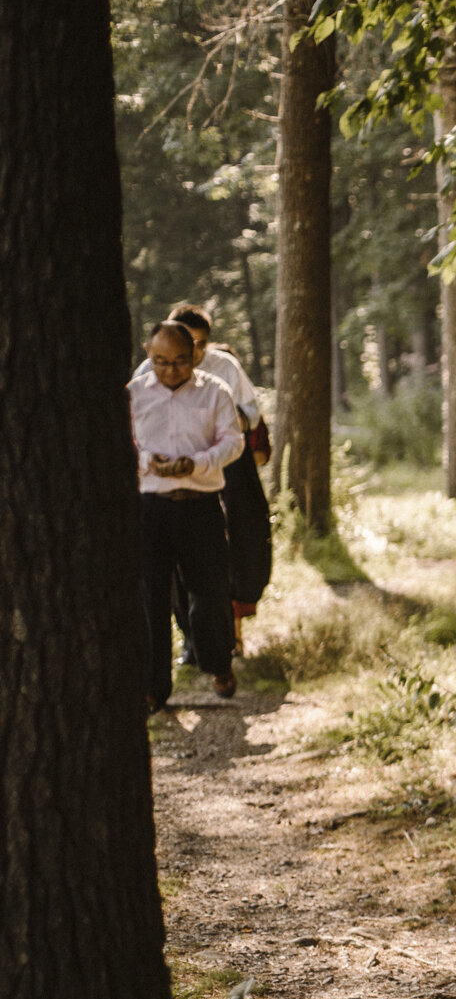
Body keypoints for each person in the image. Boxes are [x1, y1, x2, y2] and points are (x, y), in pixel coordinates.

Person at [133, 304, 273, 654]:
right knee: (165, 579)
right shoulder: (143, 379)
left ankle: (226, 642)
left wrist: (205, 452)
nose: (192, 352)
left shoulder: (223, 370)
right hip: (158, 489)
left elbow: (249, 418)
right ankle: (186, 647)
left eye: (200, 344)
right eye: (184, 343)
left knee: (228, 560)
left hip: (225, 474)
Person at [129, 320, 244, 712]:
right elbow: (122, 441)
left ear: (195, 353)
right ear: (149, 355)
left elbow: (233, 441)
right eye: (161, 361)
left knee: (209, 593)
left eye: (179, 361)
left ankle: (217, 663)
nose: (170, 370)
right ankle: (153, 688)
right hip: (150, 509)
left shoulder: (215, 391)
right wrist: (148, 461)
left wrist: (195, 464)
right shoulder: (133, 395)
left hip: (201, 506)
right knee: (150, 599)